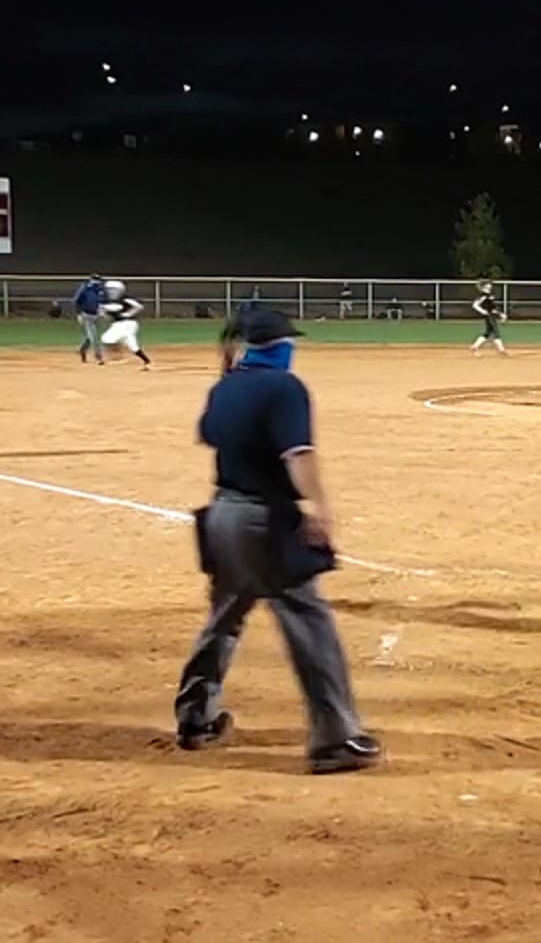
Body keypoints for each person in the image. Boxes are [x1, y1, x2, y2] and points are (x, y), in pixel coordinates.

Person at [174, 309, 381, 774]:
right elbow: (298, 453)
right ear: (281, 345)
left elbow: (209, 433)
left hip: (222, 517)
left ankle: (195, 719)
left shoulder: (226, 386)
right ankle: (335, 741)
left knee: (224, 618)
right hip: (263, 521)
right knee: (309, 622)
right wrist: (318, 506)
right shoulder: (284, 387)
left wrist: (229, 379)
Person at [98, 280, 152, 369]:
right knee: (132, 345)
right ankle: (147, 361)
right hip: (118, 324)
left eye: (114, 289)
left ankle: (117, 357)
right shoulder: (106, 301)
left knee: (106, 338)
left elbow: (139, 306)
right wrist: (103, 313)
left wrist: (128, 314)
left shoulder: (124, 299)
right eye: (109, 289)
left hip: (128, 323)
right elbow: (105, 314)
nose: (111, 292)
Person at [73, 274, 107, 365]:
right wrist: (79, 314)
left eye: (98, 279)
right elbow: (77, 301)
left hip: (97, 315)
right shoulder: (84, 289)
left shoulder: (100, 290)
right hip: (86, 315)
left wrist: (102, 310)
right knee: (94, 337)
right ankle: (99, 357)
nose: (97, 281)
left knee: (91, 337)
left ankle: (82, 350)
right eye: (95, 279)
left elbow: (102, 301)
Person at [470, 281, 507, 356]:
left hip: (491, 314)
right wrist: (482, 311)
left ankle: (475, 346)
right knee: (496, 331)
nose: (490, 286)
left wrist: (500, 314)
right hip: (489, 315)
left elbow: (492, 308)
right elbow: (475, 305)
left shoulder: (489, 295)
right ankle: (502, 350)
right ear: (484, 287)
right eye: (488, 285)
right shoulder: (483, 295)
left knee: (488, 333)